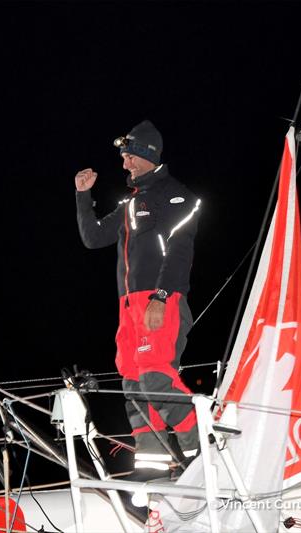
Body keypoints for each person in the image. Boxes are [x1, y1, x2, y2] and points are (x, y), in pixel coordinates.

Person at [75, 120, 201, 476]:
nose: (125, 164)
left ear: (148, 155)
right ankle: (155, 472)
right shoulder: (130, 202)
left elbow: (179, 252)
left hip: (160, 299)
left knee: (156, 377)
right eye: (124, 157)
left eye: (130, 156)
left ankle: (202, 454)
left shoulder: (178, 196)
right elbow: (93, 237)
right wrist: (83, 195)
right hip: (128, 306)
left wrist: (161, 298)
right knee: (133, 383)